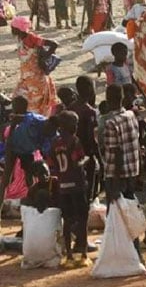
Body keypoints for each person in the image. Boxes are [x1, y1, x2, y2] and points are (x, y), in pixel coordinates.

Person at [101, 84, 143, 257]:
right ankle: (135, 251)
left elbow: (116, 152)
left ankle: (120, 253)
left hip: (116, 174)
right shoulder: (131, 115)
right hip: (132, 170)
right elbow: (136, 144)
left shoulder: (111, 123)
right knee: (130, 211)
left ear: (108, 99)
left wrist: (116, 182)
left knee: (115, 216)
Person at [49, 111, 90, 268]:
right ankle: (84, 254)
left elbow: (52, 165)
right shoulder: (74, 141)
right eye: (76, 124)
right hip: (77, 185)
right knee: (82, 218)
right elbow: (76, 162)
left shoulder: (55, 143)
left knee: (67, 219)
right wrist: (87, 160)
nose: (77, 127)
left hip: (63, 186)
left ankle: (69, 256)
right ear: (70, 126)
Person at [10, 16, 58, 116]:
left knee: (34, 106)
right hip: (26, 77)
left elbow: (53, 44)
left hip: (36, 78)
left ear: (18, 29)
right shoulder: (21, 38)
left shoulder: (31, 38)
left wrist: (45, 56)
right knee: (19, 100)